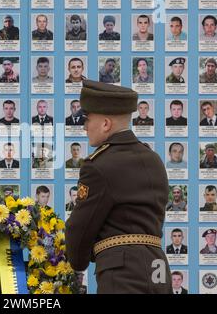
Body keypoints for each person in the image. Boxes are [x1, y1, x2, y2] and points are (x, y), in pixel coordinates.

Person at [65, 80, 172, 294]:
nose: (84, 126)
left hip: (122, 273)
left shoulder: (98, 165)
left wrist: (77, 261)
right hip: (158, 268)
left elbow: (80, 229)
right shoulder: (154, 160)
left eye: (88, 119)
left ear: (105, 124)